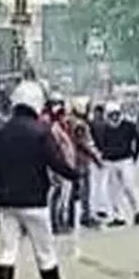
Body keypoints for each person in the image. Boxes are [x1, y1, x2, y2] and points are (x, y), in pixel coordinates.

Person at [0, 80, 84, 279]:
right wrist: (75, 175)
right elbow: (56, 163)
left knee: (7, 253)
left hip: (7, 204)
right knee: (45, 254)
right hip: (35, 203)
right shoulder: (40, 132)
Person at [95, 102, 139, 227]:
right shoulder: (104, 128)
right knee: (113, 191)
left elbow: (137, 140)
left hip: (126, 160)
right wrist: (103, 155)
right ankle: (118, 216)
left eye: (116, 114)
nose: (114, 117)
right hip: (110, 161)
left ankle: (137, 210)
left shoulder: (128, 126)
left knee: (129, 186)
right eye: (112, 115)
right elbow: (100, 143)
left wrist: (135, 155)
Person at [66, 97, 102, 229]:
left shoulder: (70, 122)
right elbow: (83, 144)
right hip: (81, 161)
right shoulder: (79, 125)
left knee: (74, 191)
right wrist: (96, 158)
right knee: (84, 190)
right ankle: (85, 216)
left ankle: (71, 218)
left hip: (74, 160)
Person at [44, 97, 77, 234]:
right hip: (60, 169)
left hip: (67, 166)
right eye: (62, 115)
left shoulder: (64, 128)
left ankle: (60, 222)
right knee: (59, 197)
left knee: (64, 197)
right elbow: (56, 150)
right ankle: (56, 223)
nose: (64, 117)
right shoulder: (55, 130)